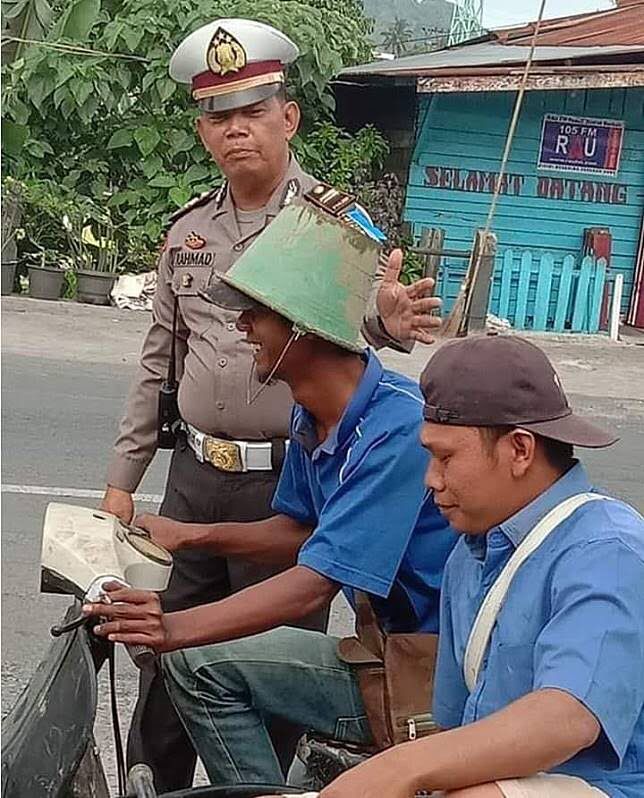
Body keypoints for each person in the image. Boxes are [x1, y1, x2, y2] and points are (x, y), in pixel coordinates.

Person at [100, 18, 441, 791]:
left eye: (252, 112)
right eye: (219, 117)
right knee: (162, 679)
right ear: (202, 131)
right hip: (198, 470)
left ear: (287, 117)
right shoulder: (186, 230)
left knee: (271, 669)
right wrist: (127, 482)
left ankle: (260, 783)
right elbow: (157, 361)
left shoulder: (334, 224)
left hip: (290, 470)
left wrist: (383, 318)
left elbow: (363, 330)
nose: (236, 131)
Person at [316, 334, 644, 798]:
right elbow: (453, 725)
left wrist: (401, 768)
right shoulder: (469, 556)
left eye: (445, 457)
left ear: (520, 450)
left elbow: (567, 717)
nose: (430, 479)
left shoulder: (607, 549)